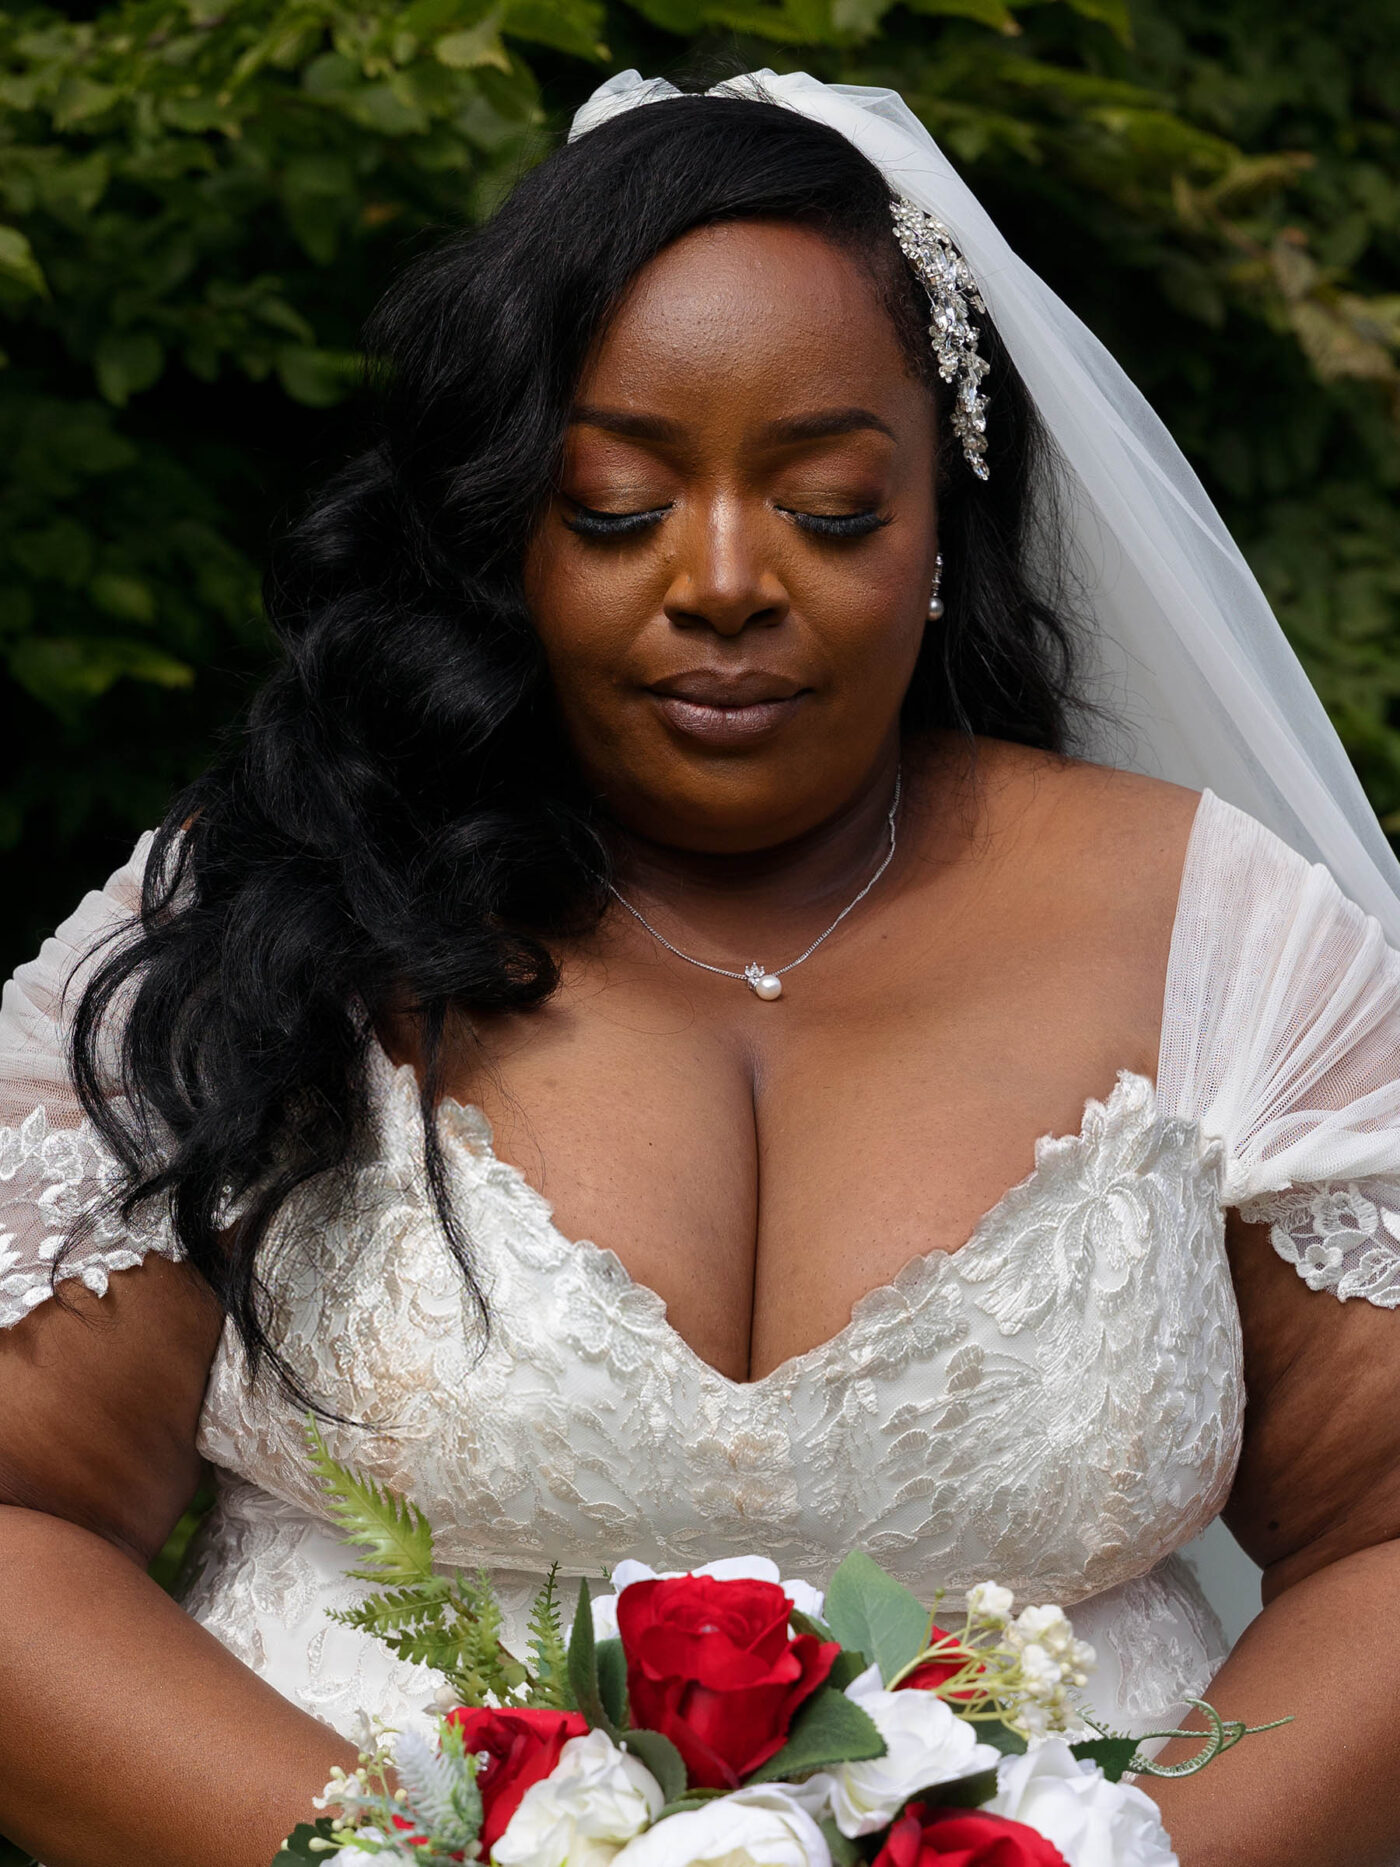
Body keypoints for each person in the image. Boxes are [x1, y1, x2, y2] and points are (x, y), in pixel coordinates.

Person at [2, 68, 1398, 1867]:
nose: (724, 578)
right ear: (506, 524)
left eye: (826, 506)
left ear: (940, 530)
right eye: (613, 504)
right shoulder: (272, 908)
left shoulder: (1226, 939)